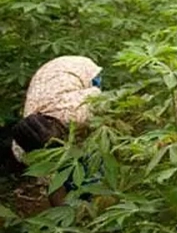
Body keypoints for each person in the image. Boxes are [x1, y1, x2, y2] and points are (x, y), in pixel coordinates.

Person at [2, 56, 103, 206]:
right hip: (45, 82)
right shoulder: (23, 148)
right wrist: (64, 214)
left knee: (93, 159)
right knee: (69, 168)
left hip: (81, 69)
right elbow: (52, 180)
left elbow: (105, 105)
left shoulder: (79, 113)